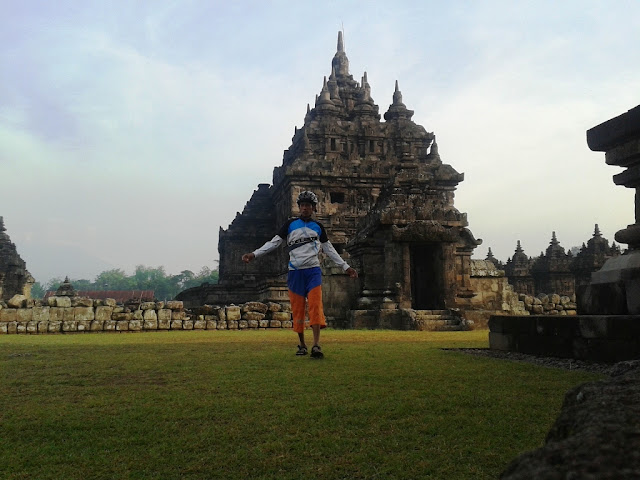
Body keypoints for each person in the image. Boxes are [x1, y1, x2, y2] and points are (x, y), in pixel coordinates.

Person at [242, 191, 358, 359]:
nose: (305, 208)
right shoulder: (290, 225)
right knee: (298, 310)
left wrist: (346, 267)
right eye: (302, 205)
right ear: (299, 207)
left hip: (313, 271)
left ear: (313, 208)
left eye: (308, 206)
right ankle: (302, 344)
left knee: (315, 306)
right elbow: (274, 243)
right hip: (295, 272)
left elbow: (329, 249)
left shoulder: (318, 227)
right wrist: (254, 254)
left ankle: (316, 345)